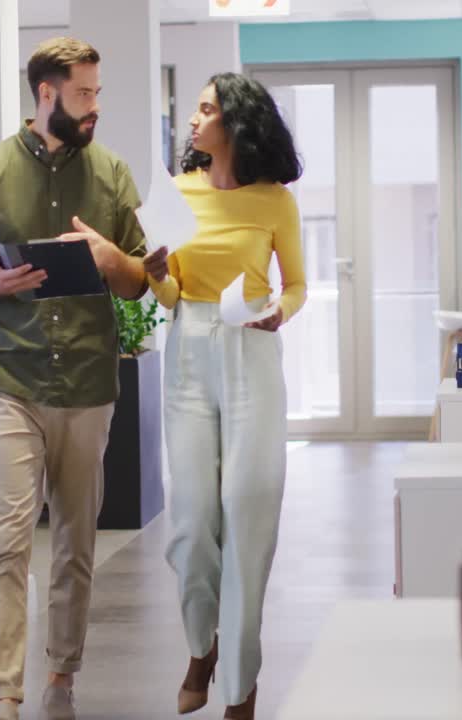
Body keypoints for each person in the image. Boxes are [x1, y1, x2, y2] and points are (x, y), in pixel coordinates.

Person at [0, 36, 157, 720]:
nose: (95, 106)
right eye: (84, 93)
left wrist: (107, 252)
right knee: (8, 536)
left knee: (75, 544)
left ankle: (61, 680)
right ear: (46, 94)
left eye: (97, 92)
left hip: (89, 382)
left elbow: (137, 283)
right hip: (12, 375)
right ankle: (4, 692)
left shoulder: (114, 174)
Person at [144, 73, 306, 720]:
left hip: (251, 345)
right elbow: (173, 294)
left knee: (248, 513)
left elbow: (295, 284)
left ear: (236, 124)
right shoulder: (174, 193)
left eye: (206, 110)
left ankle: (240, 686)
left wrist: (279, 314)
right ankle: (200, 647)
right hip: (189, 346)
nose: (193, 120)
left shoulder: (274, 201)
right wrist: (156, 275)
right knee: (191, 524)